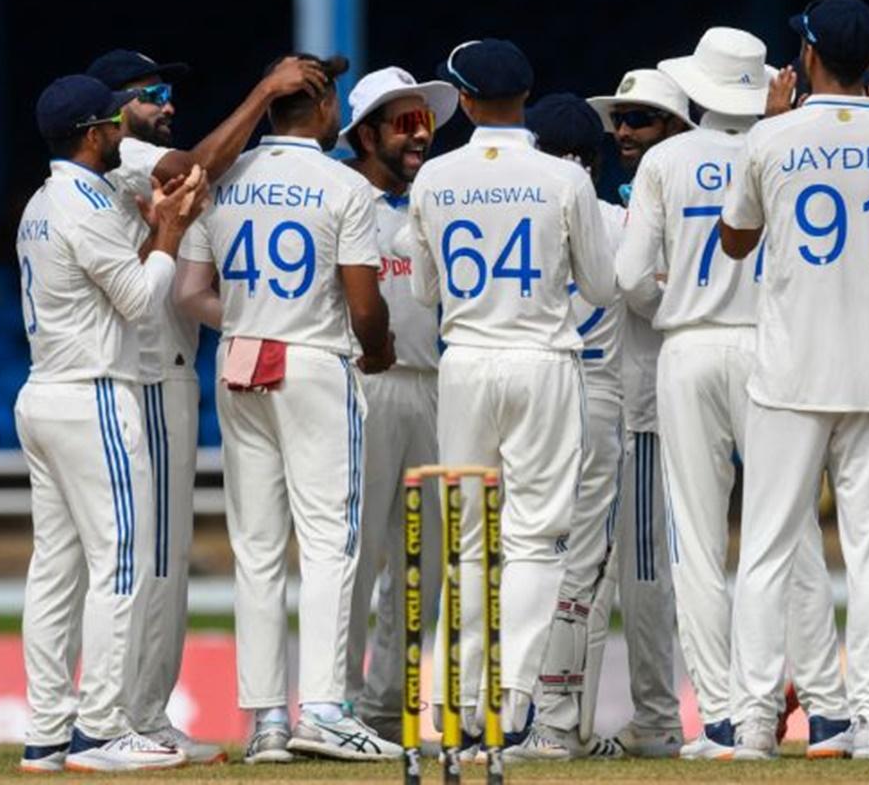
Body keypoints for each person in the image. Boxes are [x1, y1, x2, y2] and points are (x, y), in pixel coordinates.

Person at [84, 48, 329, 763]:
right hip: (146, 373)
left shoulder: (133, 154)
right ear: (112, 107)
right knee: (148, 557)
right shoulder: (128, 153)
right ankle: (126, 716)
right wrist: (262, 92)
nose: (166, 104)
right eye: (152, 92)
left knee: (163, 558)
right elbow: (190, 171)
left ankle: (140, 713)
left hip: (166, 368)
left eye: (168, 92)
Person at [619, 26, 850, 760]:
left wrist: (682, 302)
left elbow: (628, 279)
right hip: (771, 344)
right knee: (791, 535)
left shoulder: (664, 158)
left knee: (695, 536)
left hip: (686, 349)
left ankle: (720, 716)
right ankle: (831, 710)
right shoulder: (784, 149)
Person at [172, 53, 399, 764]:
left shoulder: (226, 181)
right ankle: (326, 708)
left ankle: (269, 720)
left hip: (240, 356)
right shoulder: (342, 186)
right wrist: (378, 348)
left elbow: (186, 294)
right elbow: (364, 306)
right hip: (314, 361)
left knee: (259, 549)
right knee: (330, 539)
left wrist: (246, 319)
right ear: (327, 110)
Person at [720, 0, 869, 759]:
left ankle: (750, 722)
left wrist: (768, 126)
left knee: (767, 549)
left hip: (788, 370)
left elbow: (736, 240)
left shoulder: (770, 139)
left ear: (808, 59)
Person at [405, 38, 614, 745]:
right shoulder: (564, 178)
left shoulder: (433, 177)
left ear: (463, 101)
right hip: (542, 358)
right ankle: (513, 697)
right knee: (536, 537)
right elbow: (603, 285)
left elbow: (426, 289)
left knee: (466, 535)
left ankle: (455, 701)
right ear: (525, 98)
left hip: (464, 359)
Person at [15, 74, 207, 773]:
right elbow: (140, 302)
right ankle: (98, 730)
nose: (120, 136)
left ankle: (45, 732)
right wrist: (169, 229)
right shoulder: (83, 203)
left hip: (44, 393)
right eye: (112, 128)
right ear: (96, 134)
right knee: (120, 561)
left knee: (56, 572)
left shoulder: (41, 200)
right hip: (93, 394)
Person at [337, 65, 458, 743]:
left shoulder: (433, 198)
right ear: (365, 134)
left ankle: (389, 704)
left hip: (434, 384)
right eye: (404, 124)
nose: (420, 137)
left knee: (426, 558)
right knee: (355, 555)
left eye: (426, 123)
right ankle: (340, 704)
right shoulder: (342, 195)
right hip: (363, 383)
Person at [509, 92, 626, 760]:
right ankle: (555, 722)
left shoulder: (508, 210)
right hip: (594, 394)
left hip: (521, 390)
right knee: (576, 566)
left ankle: (507, 713)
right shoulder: (614, 218)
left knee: (520, 555)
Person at [584, 69, 691, 758]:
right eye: (620, 120)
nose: (625, 132)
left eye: (642, 120)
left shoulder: (678, 200)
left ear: (676, 130)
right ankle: (565, 720)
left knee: (646, 573)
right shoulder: (599, 205)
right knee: (589, 572)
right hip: (598, 405)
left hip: (650, 404)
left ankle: (657, 716)